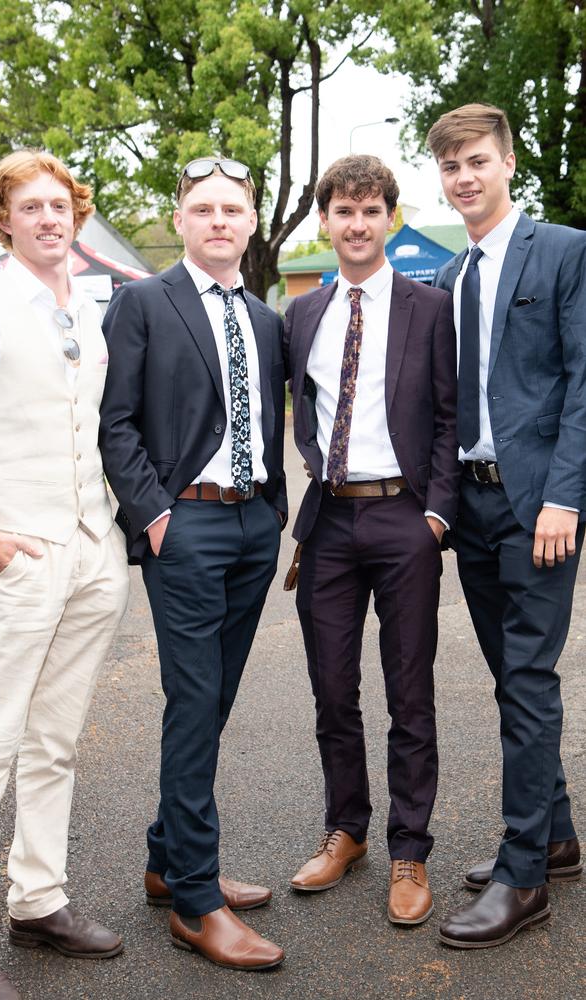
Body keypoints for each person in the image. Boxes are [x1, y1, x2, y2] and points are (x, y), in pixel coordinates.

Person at [0, 151, 130, 1000]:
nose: (50, 219)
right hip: (16, 550)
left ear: (76, 218)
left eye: (63, 206)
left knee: (54, 743)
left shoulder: (87, 307)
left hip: (92, 549)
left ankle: (40, 900)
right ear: (4, 219)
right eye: (33, 207)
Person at [99, 157, 286, 970]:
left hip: (253, 526)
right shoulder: (143, 302)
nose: (218, 221)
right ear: (180, 220)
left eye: (232, 210)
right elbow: (116, 423)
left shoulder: (268, 318)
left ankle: (165, 861)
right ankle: (197, 900)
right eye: (203, 208)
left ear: (251, 223)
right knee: (193, 701)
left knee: (212, 705)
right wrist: (158, 517)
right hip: (189, 529)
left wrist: (274, 514)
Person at [284, 155, 460, 925]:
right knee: (332, 691)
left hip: (404, 520)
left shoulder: (430, 307)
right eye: (343, 211)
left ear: (389, 216)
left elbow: (454, 419)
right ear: (325, 220)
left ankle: (409, 849)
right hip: (328, 521)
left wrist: (436, 516)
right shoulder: (304, 314)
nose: (356, 224)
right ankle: (346, 829)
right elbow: (302, 411)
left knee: (409, 692)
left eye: (370, 210)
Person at [427, 103, 585, 948]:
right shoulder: (452, 277)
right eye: (451, 165)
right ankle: (554, 837)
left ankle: (525, 877)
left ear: (509, 162)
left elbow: (584, 381)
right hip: (475, 508)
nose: (465, 177)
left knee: (528, 682)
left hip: (540, 509)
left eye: (477, 160)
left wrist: (567, 495)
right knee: (508, 678)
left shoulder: (563, 250)